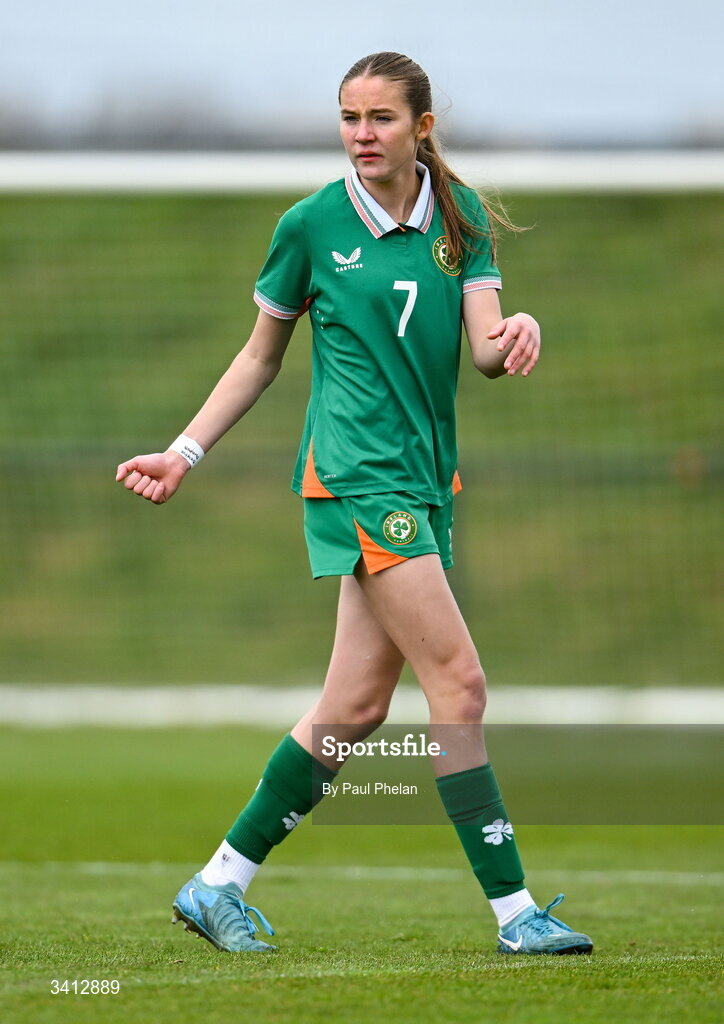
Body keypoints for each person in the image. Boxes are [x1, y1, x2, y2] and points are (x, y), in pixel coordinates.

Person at [116, 51, 593, 956]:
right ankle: (515, 913)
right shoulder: (310, 226)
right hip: (356, 480)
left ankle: (218, 882)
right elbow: (260, 356)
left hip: (424, 483)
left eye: (379, 118)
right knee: (460, 685)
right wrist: (184, 453)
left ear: (421, 127)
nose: (361, 135)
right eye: (348, 117)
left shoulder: (458, 221)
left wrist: (519, 329)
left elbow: (486, 348)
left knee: (357, 706)